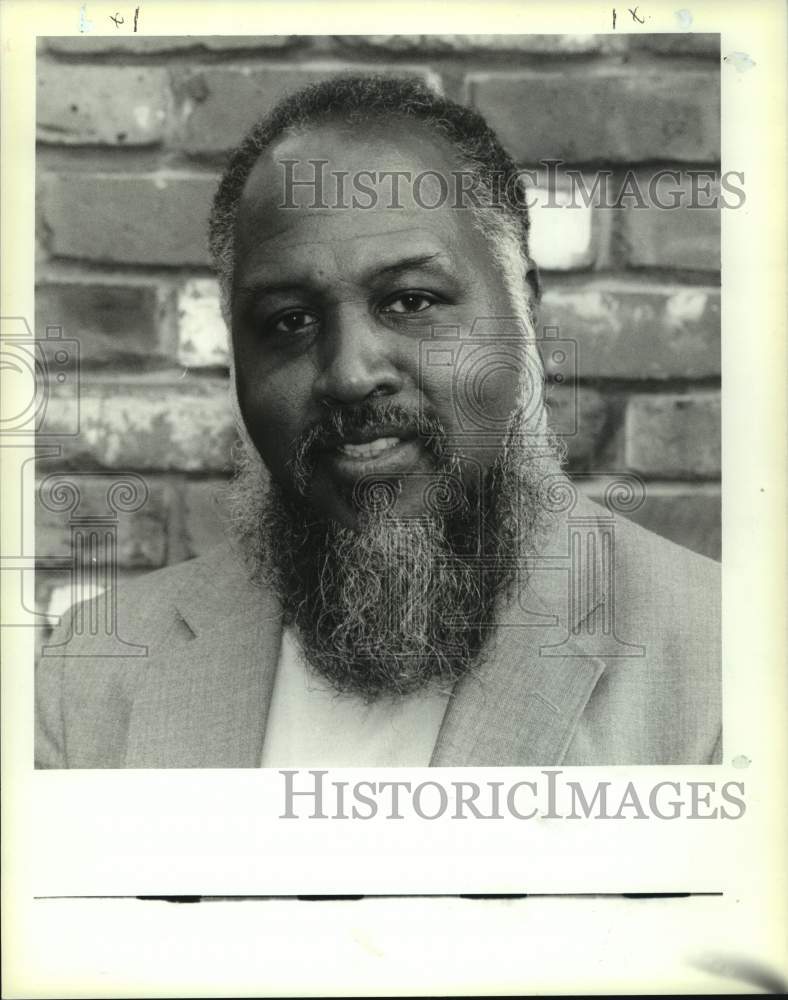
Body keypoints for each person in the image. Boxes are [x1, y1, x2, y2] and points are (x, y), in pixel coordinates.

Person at [35, 76, 721, 769]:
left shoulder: (725, 660)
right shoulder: (90, 674)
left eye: (412, 301)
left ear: (526, 318)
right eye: (290, 320)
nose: (350, 374)